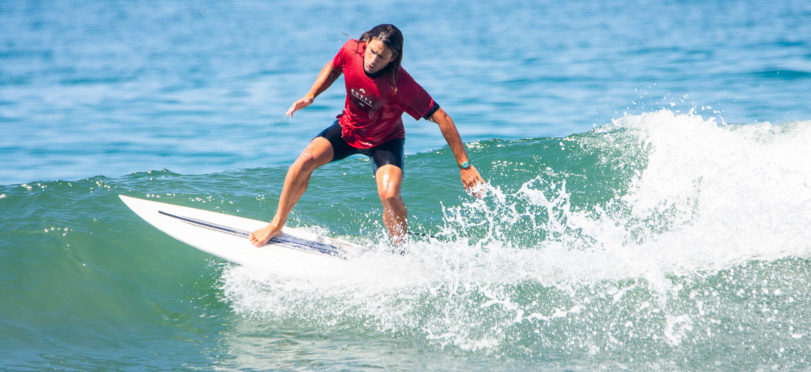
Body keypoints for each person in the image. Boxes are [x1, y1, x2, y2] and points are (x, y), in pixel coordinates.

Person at [249, 24, 484, 246]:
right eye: (371, 52)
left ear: (393, 57)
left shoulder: (401, 85)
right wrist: (312, 95)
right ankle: (277, 224)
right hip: (349, 129)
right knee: (304, 161)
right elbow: (334, 67)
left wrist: (464, 166)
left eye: (381, 57)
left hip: (386, 140)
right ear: (367, 41)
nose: (372, 61)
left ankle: (400, 248)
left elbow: (442, 117)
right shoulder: (352, 50)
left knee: (390, 194)